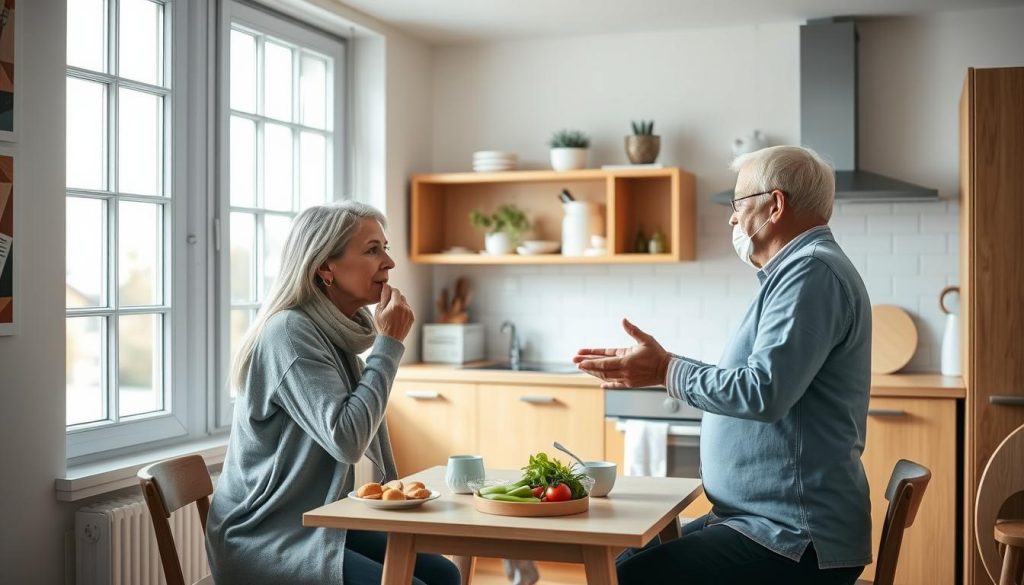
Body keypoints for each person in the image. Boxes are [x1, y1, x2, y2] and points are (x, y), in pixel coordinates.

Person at [574, 145, 871, 585]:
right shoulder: (799, 272)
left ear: (775, 205)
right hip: (762, 522)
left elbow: (762, 391)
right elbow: (757, 382)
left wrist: (664, 370)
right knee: (620, 567)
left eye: (738, 203)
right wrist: (660, 366)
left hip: (793, 537)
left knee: (626, 578)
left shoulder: (810, 273)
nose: (732, 218)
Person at [206, 201, 460, 585]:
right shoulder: (290, 333)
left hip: (318, 519)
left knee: (443, 574)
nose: (389, 263)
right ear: (325, 266)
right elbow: (346, 439)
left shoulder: (335, 331)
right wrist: (388, 345)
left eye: (385, 248)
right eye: (372, 250)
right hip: (265, 536)